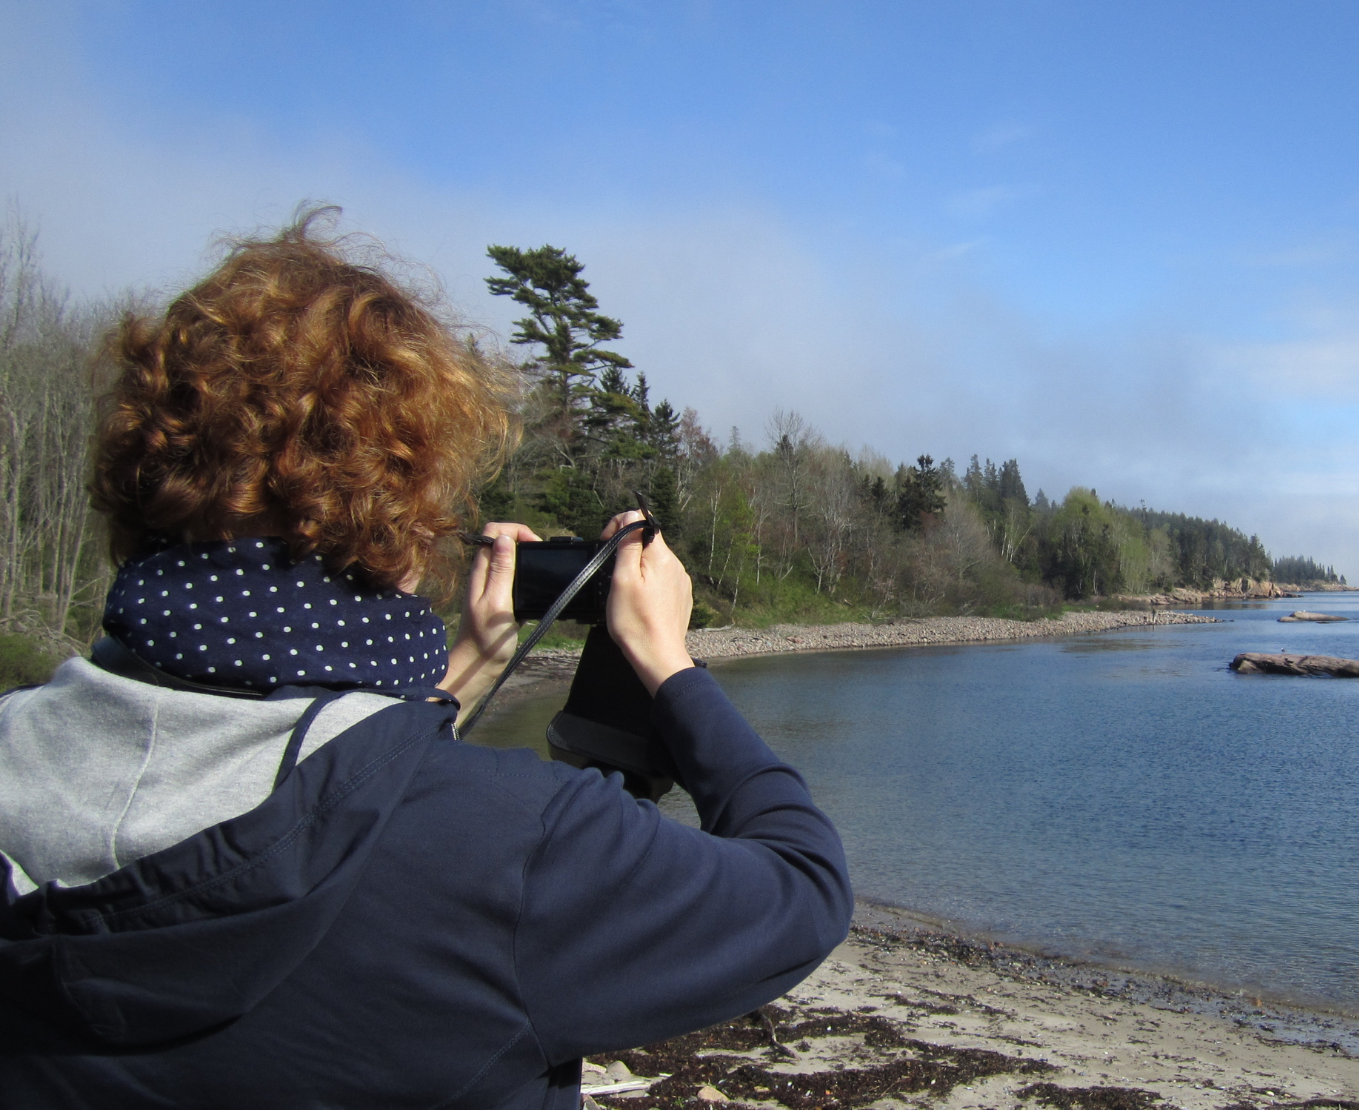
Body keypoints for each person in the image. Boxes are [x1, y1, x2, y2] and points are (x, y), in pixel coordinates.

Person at [0, 214, 851, 1108]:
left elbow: (314, 787)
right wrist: (668, 663)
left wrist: (458, 675)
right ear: (399, 515)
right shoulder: (510, 850)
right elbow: (802, 889)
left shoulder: (20, 745)